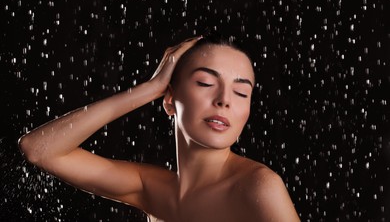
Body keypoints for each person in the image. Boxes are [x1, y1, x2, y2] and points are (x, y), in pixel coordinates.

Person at [19, 34, 300, 221]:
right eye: (205, 83)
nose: (224, 101)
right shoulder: (151, 189)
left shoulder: (258, 187)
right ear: (169, 99)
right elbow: (39, 150)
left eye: (241, 93)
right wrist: (150, 88)